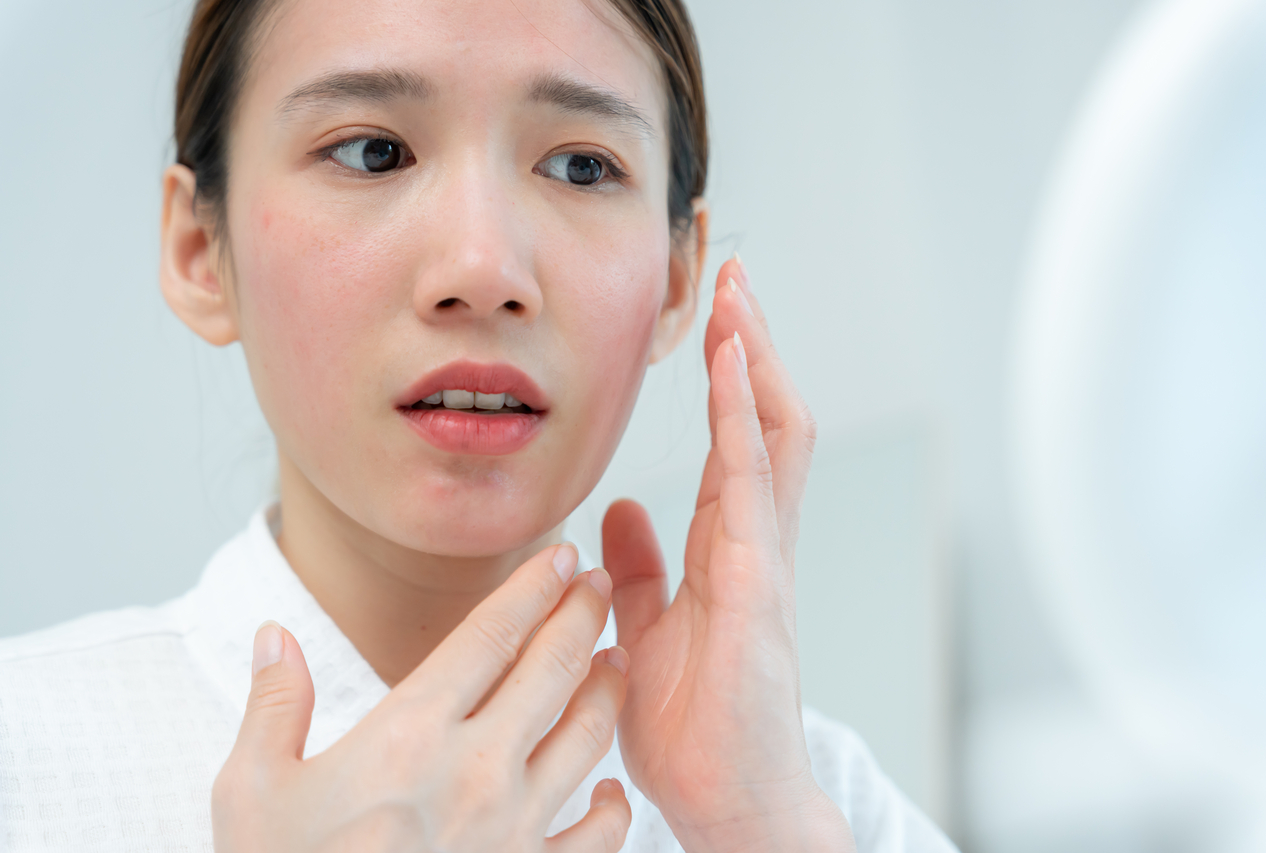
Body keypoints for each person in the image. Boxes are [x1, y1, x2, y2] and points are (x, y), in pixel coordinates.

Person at [0, 0, 958, 850]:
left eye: (581, 167)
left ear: (677, 279)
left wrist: (754, 830)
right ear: (198, 248)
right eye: (373, 152)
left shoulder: (814, 807)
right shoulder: (27, 768)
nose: (484, 267)